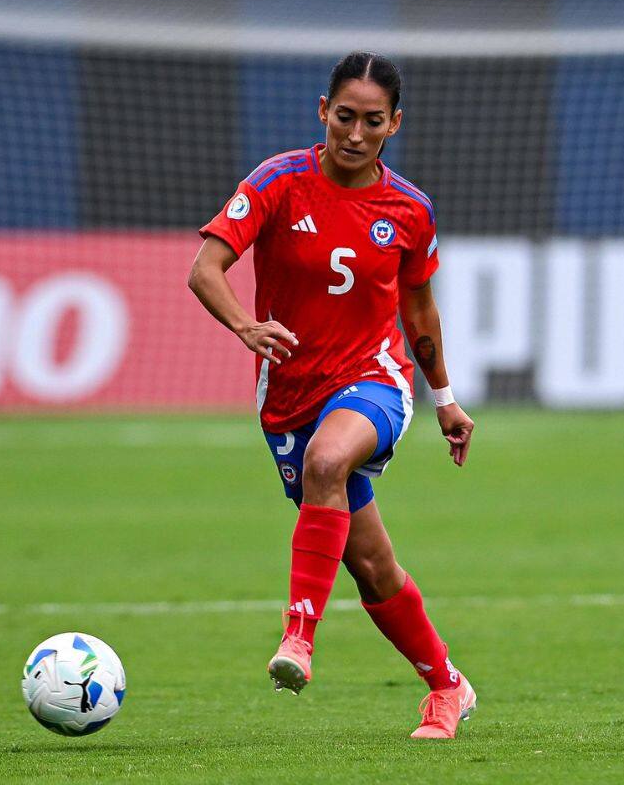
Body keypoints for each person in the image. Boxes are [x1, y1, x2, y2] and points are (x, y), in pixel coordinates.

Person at [188, 51, 477, 740]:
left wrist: (444, 397)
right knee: (373, 566)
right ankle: (448, 685)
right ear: (323, 111)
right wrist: (245, 326)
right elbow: (206, 268)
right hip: (289, 398)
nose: (355, 133)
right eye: (344, 116)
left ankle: (299, 637)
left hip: (375, 380)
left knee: (327, 460)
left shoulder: (409, 209)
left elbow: (418, 310)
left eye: (372, 121)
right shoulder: (278, 182)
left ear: (394, 124)